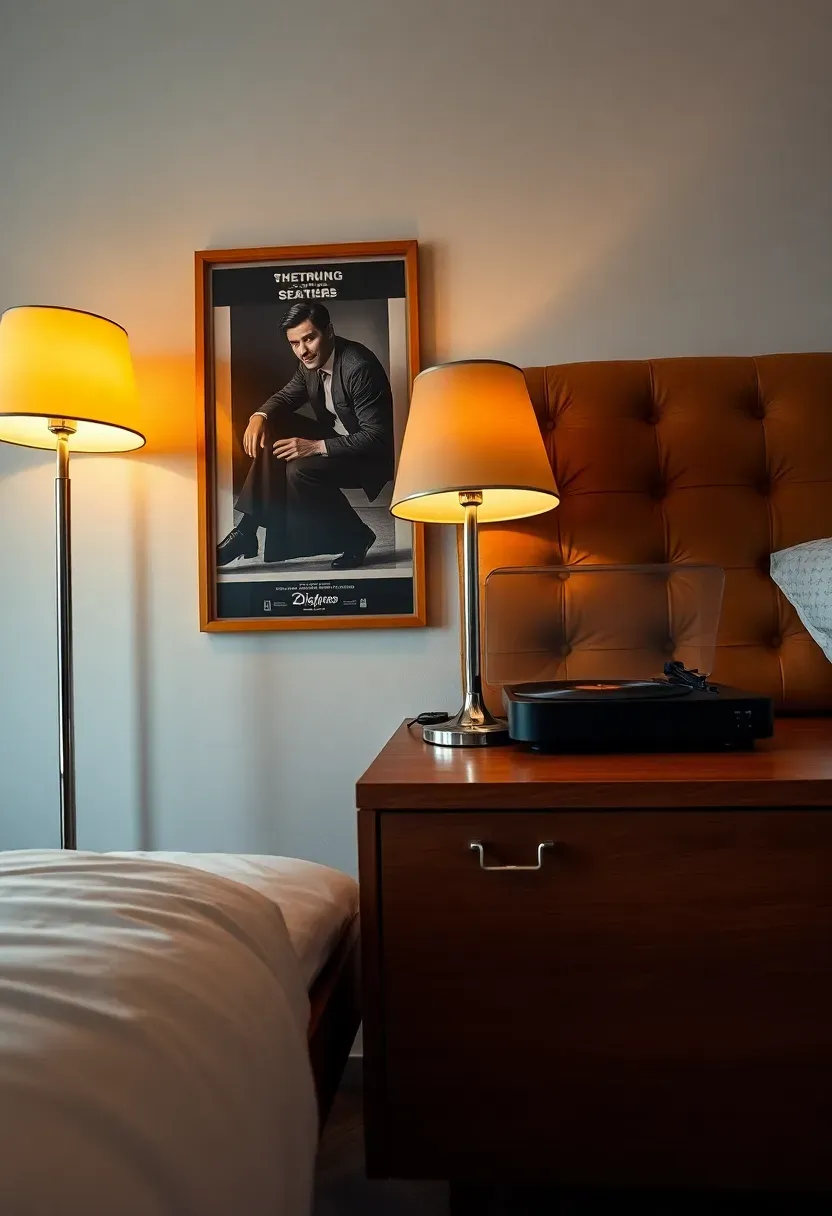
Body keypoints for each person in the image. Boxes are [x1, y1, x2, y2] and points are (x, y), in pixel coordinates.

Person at [217, 302, 395, 569]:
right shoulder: (309, 364)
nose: (302, 351)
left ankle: (357, 537)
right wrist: (259, 416)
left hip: (365, 456)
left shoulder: (359, 367)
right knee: (275, 426)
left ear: (330, 332)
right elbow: (286, 396)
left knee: (298, 471)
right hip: (336, 439)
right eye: (294, 343)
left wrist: (315, 447)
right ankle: (246, 531)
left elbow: (376, 437)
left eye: (309, 338)